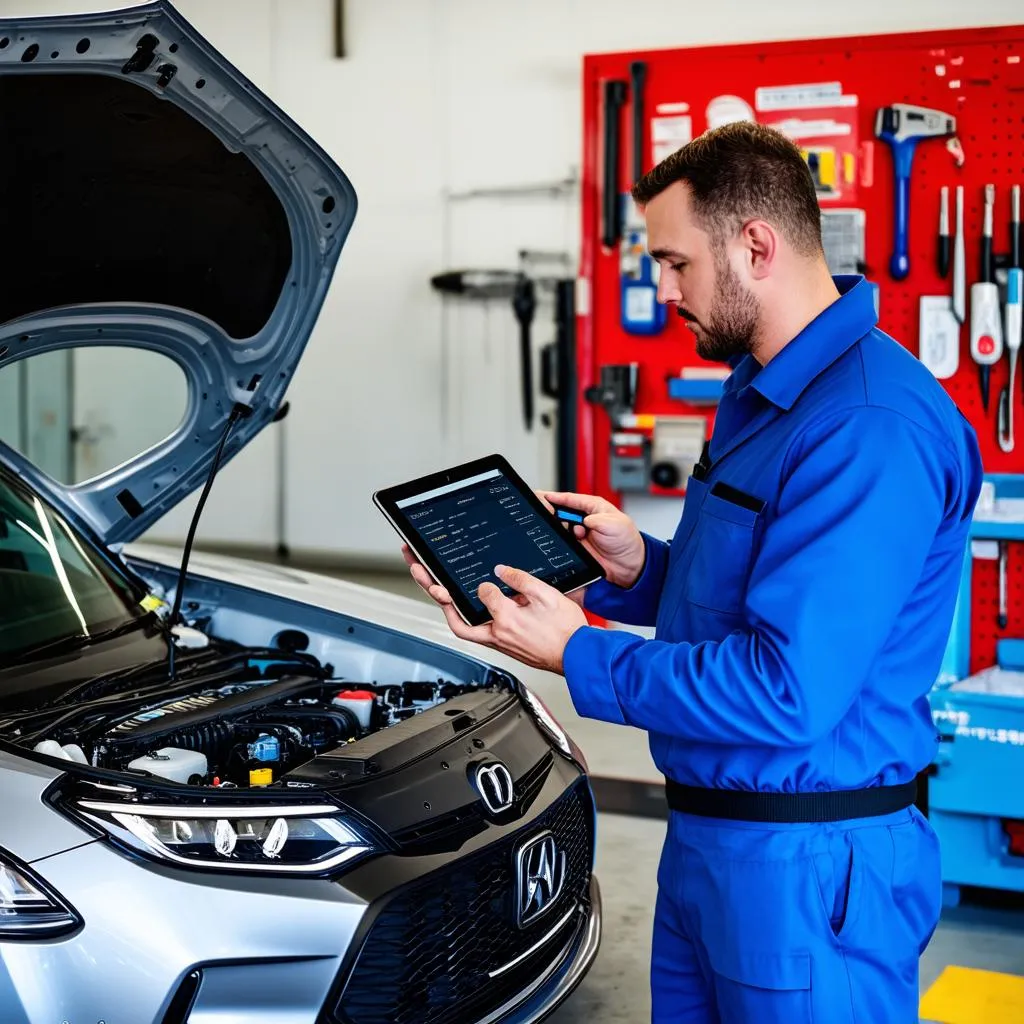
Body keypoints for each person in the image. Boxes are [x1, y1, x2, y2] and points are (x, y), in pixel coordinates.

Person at [402, 120, 983, 1023]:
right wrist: (636, 570)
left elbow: (787, 690)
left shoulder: (869, 426)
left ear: (756, 244)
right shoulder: (762, 393)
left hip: (809, 865)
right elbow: (752, 597)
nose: (661, 287)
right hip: (715, 841)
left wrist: (580, 652)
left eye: (675, 263)